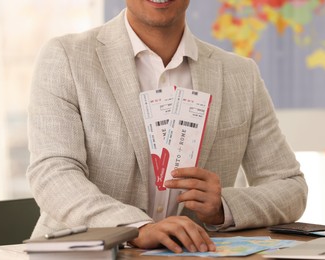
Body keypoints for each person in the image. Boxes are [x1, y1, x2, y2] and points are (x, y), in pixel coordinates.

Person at [27, 0, 308, 254]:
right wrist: (136, 227)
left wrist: (223, 205)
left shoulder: (239, 75)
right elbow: (52, 174)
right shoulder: (66, 57)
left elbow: (290, 189)